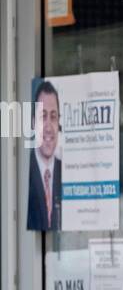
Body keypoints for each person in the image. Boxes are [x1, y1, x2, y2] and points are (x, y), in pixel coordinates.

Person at [28, 78, 62, 230]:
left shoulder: (66, 173)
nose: (48, 127)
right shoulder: (24, 174)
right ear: (34, 123)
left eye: (53, 117)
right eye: (43, 116)